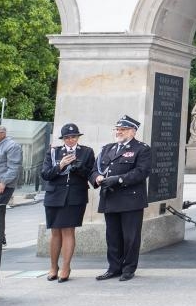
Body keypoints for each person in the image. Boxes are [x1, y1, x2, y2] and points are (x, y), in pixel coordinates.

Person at [91, 115, 152, 281]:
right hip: (109, 198)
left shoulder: (141, 149)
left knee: (130, 237)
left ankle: (128, 268)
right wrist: (96, 178)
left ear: (132, 132)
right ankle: (113, 267)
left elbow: (141, 172)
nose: (118, 132)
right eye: (117, 129)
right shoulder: (107, 148)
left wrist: (119, 179)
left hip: (130, 200)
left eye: (122, 129)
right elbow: (95, 169)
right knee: (112, 236)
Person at [40, 123, 96, 282]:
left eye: (74, 137)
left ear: (78, 137)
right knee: (55, 231)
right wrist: (61, 165)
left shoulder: (86, 152)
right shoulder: (53, 152)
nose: (71, 140)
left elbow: (90, 174)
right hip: (54, 195)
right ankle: (53, 266)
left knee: (68, 231)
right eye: (67, 137)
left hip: (74, 196)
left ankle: (65, 267)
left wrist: (79, 167)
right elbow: (45, 174)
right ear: (63, 139)